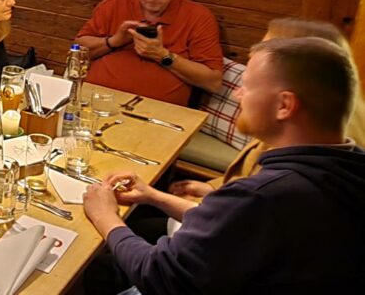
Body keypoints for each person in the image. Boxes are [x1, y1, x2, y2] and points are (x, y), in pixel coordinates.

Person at [82, 36, 365, 294]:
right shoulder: (346, 166)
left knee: (94, 269)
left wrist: (106, 216)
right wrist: (152, 196)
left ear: (284, 105)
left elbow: (159, 275)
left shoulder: (262, 195)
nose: (237, 95)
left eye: (247, 86)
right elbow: (232, 226)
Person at [167, 17, 351, 202]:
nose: (237, 94)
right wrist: (212, 188)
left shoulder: (285, 179)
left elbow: (238, 205)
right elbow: (242, 179)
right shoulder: (280, 133)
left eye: (267, 48)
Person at [75, 0, 222, 106]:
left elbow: (213, 82)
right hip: (96, 99)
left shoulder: (197, 17)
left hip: (157, 110)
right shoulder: (115, 3)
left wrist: (162, 55)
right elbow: (77, 51)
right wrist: (113, 42)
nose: (150, 0)